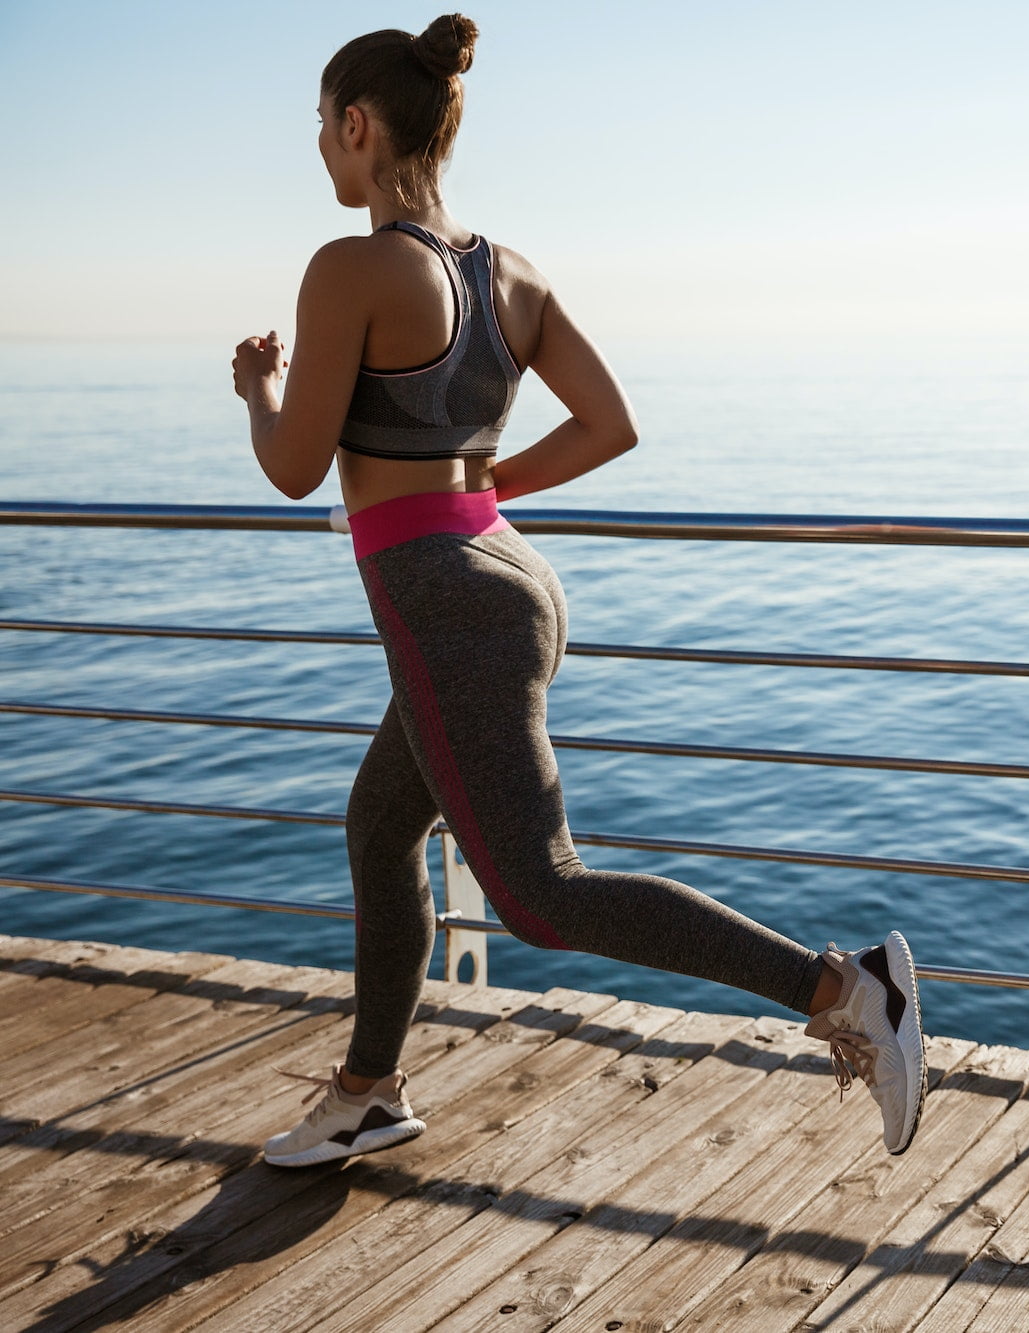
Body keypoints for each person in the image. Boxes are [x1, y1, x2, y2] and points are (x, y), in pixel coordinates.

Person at [230, 14, 925, 1165]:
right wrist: (477, 478)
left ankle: (845, 992)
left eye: (319, 123)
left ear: (357, 125)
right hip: (506, 571)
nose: (316, 143)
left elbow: (297, 469)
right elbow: (611, 425)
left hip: (443, 598)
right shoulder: (511, 272)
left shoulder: (348, 269)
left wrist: (259, 390)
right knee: (379, 825)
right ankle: (368, 1090)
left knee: (543, 896)